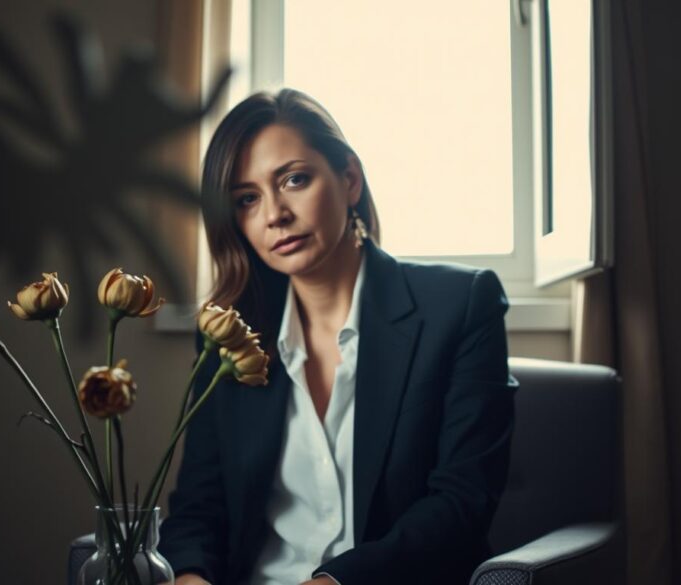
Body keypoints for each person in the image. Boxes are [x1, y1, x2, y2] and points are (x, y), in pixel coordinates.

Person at [159, 88, 517, 585]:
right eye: (247, 199)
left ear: (349, 179)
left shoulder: (459, 306)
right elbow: (199, 506)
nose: (274, 214)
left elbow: (462, 502)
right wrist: (191, 577)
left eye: (294, 180)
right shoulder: (229, 334)